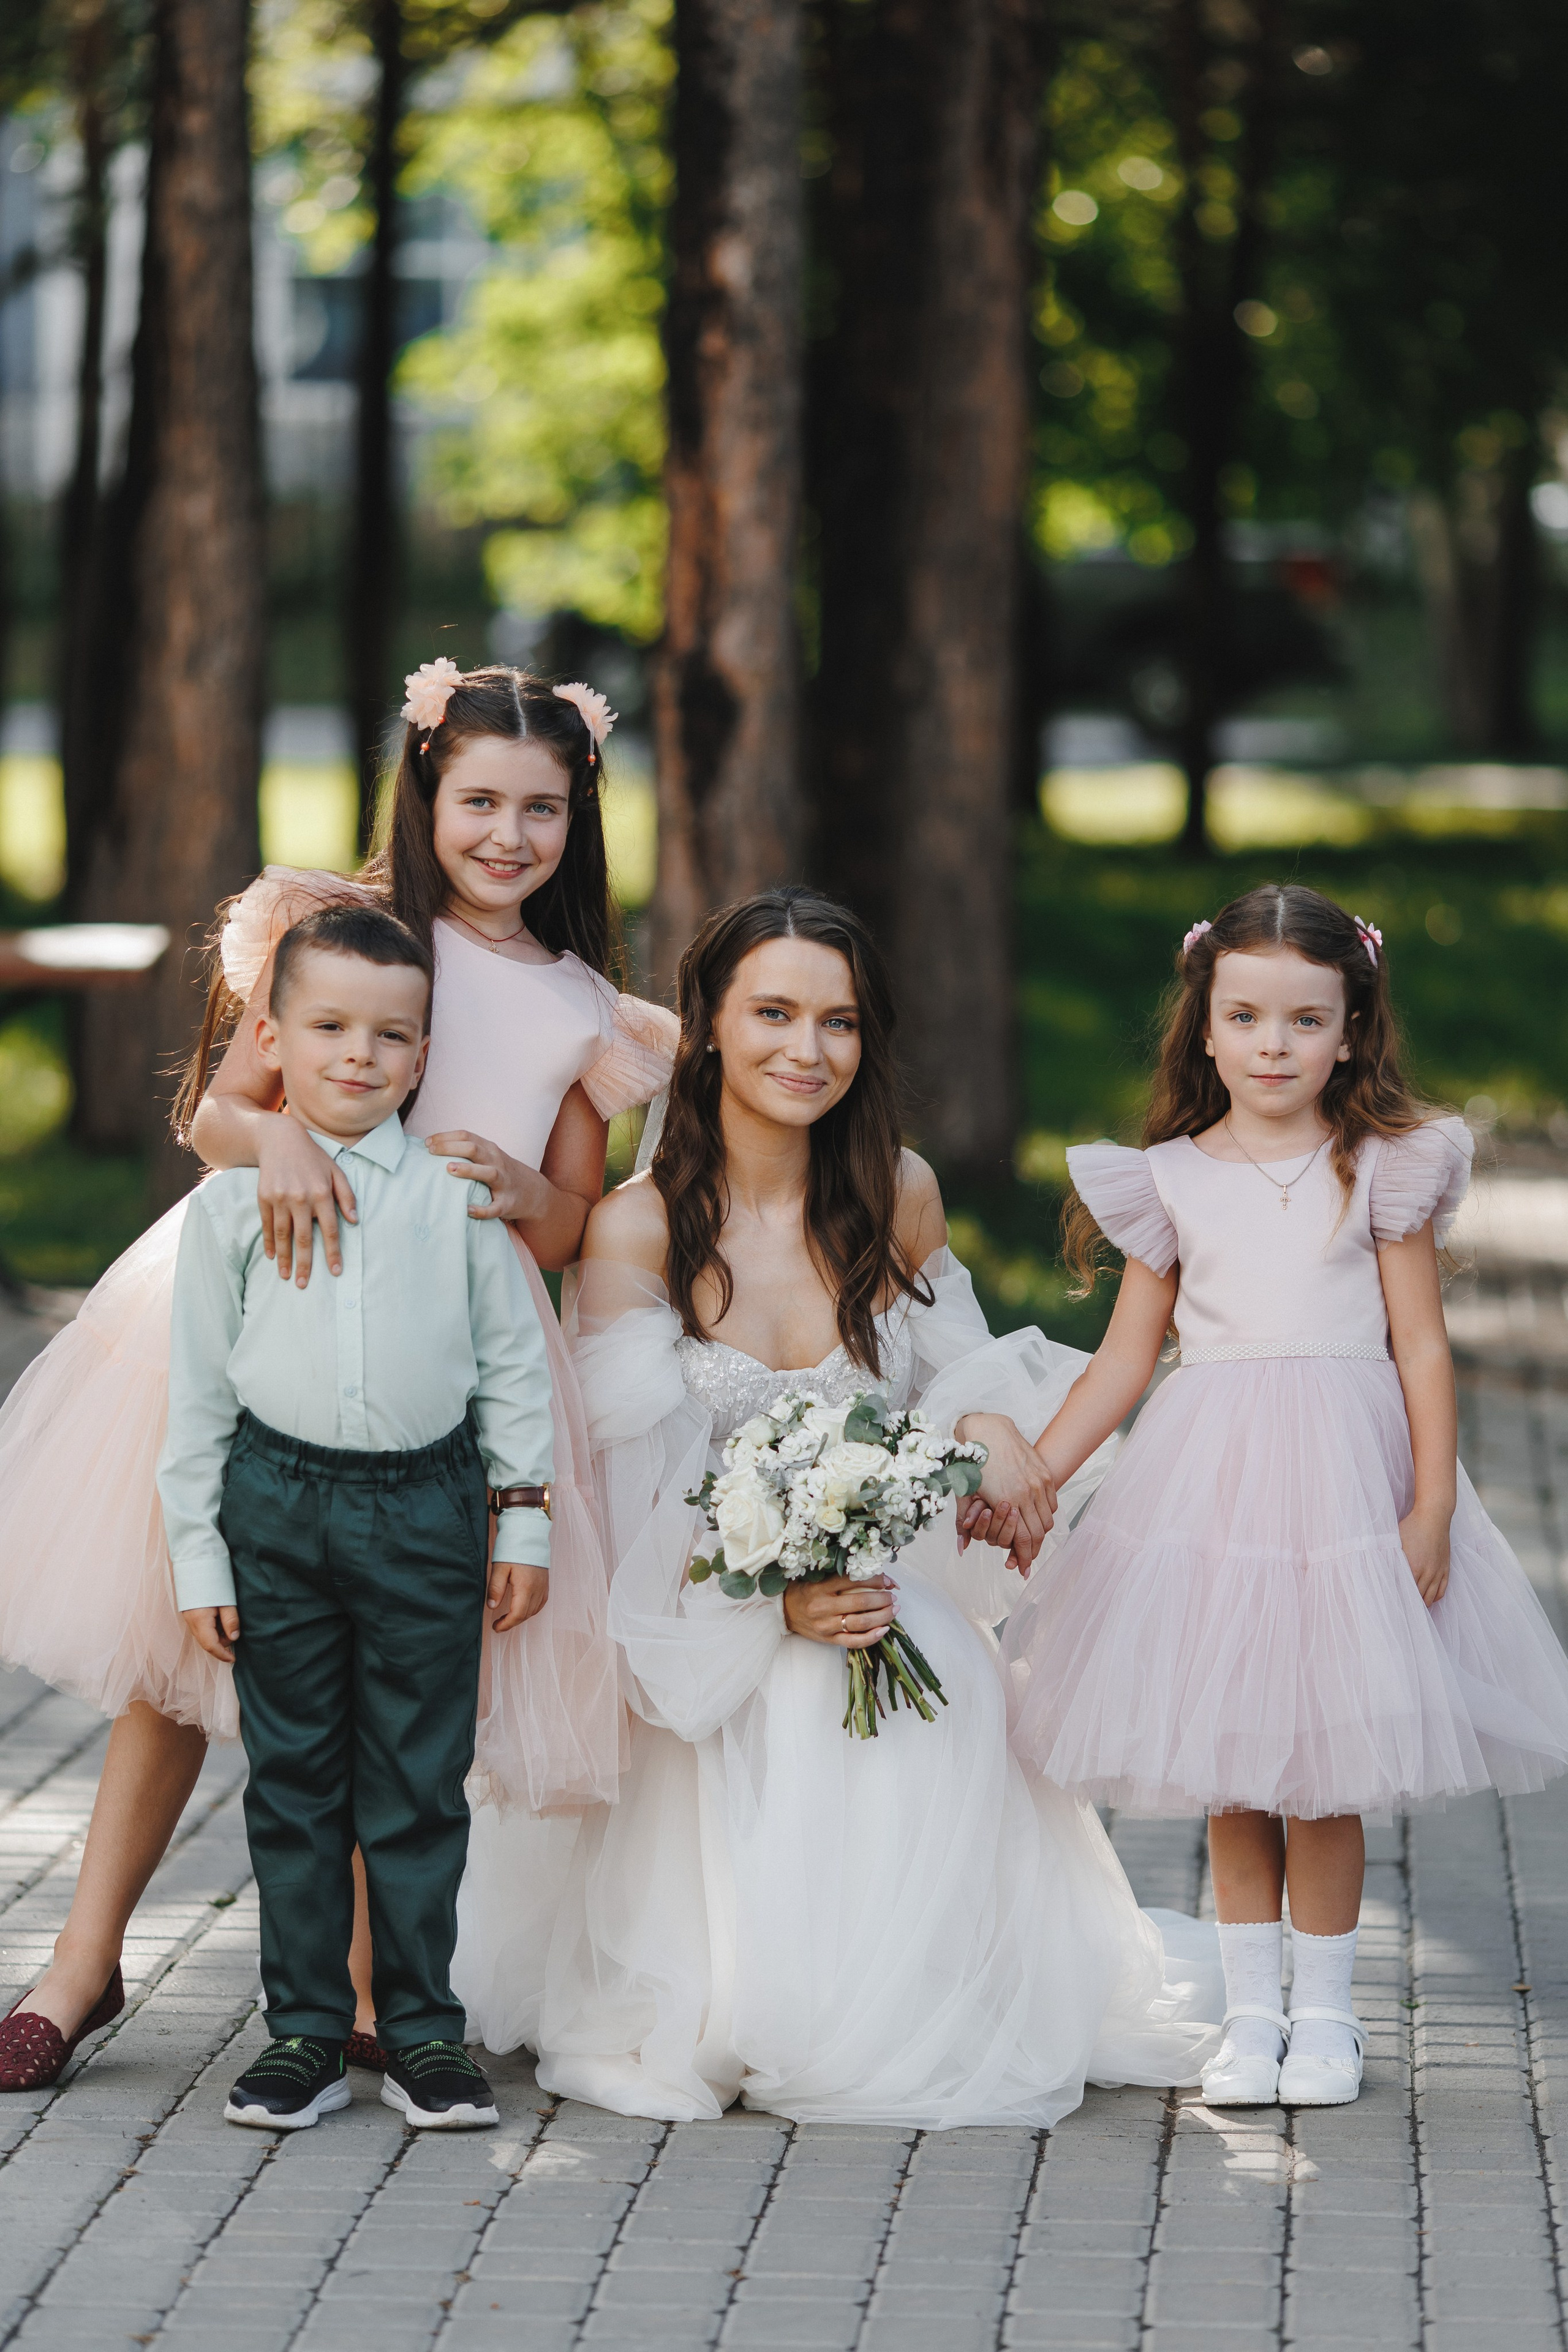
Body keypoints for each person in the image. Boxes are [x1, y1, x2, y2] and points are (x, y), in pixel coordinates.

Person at [0, 663, 676, 2092]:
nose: (506, 834)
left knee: (392, 1673)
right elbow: (215, 1119)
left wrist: (508, 1187)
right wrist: (286, 1144)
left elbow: (571, 1222)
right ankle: (82, 1961)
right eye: (477, 798)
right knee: (177, 1655)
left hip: (437, 1341)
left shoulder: (581, 1006)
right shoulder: (340, 930)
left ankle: (366, 1985)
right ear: (424, 789)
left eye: (540, 809)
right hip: (263, 1306)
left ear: (580, 819)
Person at [453, 888, 1223, 2126]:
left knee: (922, 1654)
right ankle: (753, 1991)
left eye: (838, 1022)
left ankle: (917, 1979)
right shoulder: (637, 1225)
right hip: (702, 1605)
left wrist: (981, 1428)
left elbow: (954, 1366)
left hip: (869, 1571)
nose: (804, 1051)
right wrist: (771, 1595)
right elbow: (627, 1493)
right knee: (803, 1678)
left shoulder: (894, 1187)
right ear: (705, 1024)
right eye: (770, 1013)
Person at [1001, 883, 1568, 2113]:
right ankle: (1247, 2019)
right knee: (1230, 1770)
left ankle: (1326, 2019)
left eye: (1303, 1021)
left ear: (1349, 1029)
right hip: (1209, 1488)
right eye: (1245, 1017)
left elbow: (1420, 1346)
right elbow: (1123, 1358)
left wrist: (1425, 1505)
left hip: (1344, 1487)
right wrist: (1039, 1472)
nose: (1271, 1044)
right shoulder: (1167, 1181)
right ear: (1201, 1028)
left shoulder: (1383, 1166)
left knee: (1322, 1770)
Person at [159, 902, 552, 2131]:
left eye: (391, 1036)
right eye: (328, 1027)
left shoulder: (455, 1195)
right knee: (294, 1786)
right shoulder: (231, 1210)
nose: (358, 1056)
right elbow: (197, 1397)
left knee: (419, 1782)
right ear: (272, 1040)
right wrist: (196, 1556)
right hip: (276, 1504)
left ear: (422, 1055)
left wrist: (521, 1522)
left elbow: (512, 1366)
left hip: (428, 1508)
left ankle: (425, 2033)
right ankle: (303, 2036)